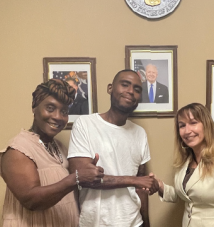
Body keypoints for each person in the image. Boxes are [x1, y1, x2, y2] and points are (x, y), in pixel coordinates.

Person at [0, 79, 104, 227]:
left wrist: (87, 176)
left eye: (64, 112)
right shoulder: (18, 150)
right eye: (50, 108)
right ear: (34, 107)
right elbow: (31, 200)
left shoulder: (59, 147)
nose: (58, 116)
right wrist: (77, 178)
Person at [68, 69, 159, 227]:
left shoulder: (140, 134)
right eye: (125, 85)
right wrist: (133, 180)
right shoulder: (85, 124)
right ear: (110, 88)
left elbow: (141, 188)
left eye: (137, 89)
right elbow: (81, 178)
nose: (130, 91)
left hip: (133, 222)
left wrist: (147, 223)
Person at [155, 103, 214, 227]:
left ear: (206, 125)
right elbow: (187, 196)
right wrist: (160, 186)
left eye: (193, 123)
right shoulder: (185, 161)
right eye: (182, 125)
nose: (187, 131)